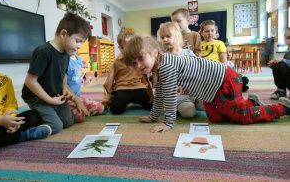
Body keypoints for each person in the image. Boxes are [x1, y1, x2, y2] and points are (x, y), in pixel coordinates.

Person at [123, 34, 290, 133]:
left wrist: (167, 123)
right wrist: (153, 117)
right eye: (133, 63)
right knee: (216, 118)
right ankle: (251, 102)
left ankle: (281, 108)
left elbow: (168, 97)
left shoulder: (166, 65)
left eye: (141, 58)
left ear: (154, 52)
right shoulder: (158, 68)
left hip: (225, 81)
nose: (138, 66)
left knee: (243, 117)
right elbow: (159, 93)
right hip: (212, 91)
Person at [22, 12, 91, 135]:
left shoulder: (66, 53)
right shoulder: (44, 52)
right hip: (38, 98)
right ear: (63, 33)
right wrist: (50, 100)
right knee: (56, 126)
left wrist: (64, 88)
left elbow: (63, 74)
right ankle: (28, 125)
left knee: (68, 122)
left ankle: (47, 113)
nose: (79, 46)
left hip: (55, 95)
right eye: (77, 41)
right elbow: (30, 81)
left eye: (82, 43)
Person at [0, 39, 51, 148]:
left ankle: (9, 133)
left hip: (5, 121)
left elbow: (11, 104)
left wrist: (11, 120)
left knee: (34, 116)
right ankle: (23, 135)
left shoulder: (4, 80)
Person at [159, 22, 205, 118]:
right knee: (189, 113)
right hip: (177, 93)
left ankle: (191, 103)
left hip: (194, 91)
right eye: (162, 37)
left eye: (168, 36)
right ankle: (172, 105)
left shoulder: (189, 53)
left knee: (210, 104)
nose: (165, 39)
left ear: (178, 36)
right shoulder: (164, 57)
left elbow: (197, 71)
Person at [102, 30, 152, 114]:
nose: (126, 50)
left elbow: (146, 76)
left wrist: (151, 94)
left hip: (138, 87)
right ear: (119, 48)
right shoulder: (116, 62)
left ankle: (136, 100)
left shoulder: (139, 59)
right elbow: (109, 82)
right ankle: (121, 98)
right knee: (115, 110)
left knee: (151, 106)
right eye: (122, 47)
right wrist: (106, 101)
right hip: (123, 88)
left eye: (128, 47)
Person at [66, 51, 104, 122]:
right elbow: (62, 84)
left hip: (77, 98)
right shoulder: (63, 60)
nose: (78, 46)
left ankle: (79, 111)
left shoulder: (79, 59)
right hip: (66, 99)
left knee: (100, 108)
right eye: (76, 41)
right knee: (79, 116)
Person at [269, 27, 290, 99]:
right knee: (279, 65)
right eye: (288, 37)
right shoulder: (287, 54)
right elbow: (284, 69)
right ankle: (281, 90)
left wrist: (283, 61)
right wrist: (274, 65)